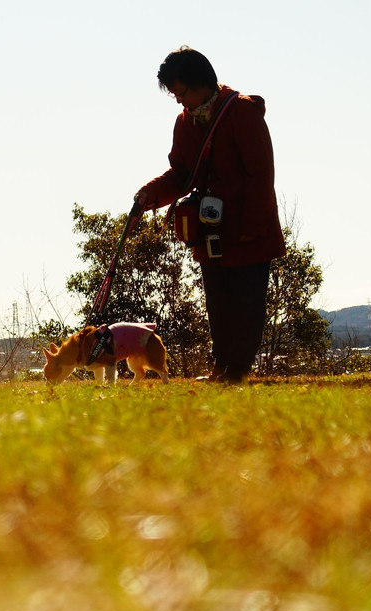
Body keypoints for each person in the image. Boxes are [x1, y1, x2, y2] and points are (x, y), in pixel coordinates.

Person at [134, 46, 286, 384]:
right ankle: (221, 368)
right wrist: (148, 196)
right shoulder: (184, 122)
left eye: (181, 91)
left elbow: (261, 176)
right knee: (217, 302)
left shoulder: (243, 112)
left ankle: (237, 371)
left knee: (246, 304)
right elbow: (181, 174)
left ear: (201, 82)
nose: (178, 100)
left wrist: (252, 228)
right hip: (209, 230)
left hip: (248, 231)